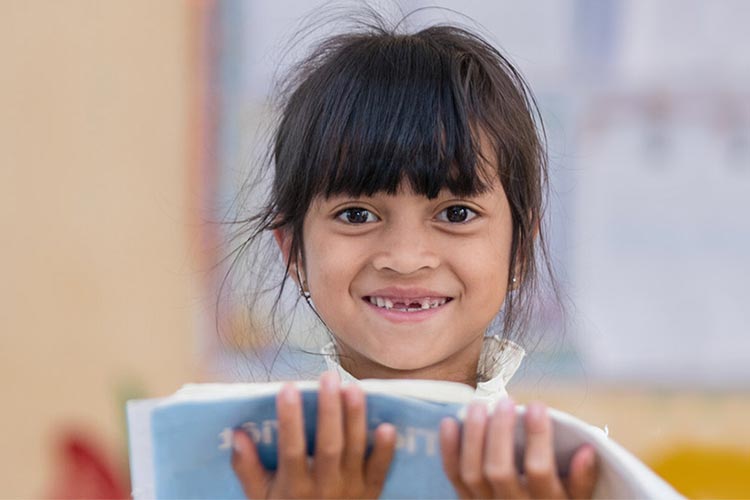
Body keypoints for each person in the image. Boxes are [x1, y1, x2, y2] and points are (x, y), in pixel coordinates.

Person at [225, 11, 598, 499]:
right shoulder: (236, 475)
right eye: (357, 215)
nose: (404, 258)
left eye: (457, 213)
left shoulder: (570, 483)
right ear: (293, 252)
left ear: (519, 250)